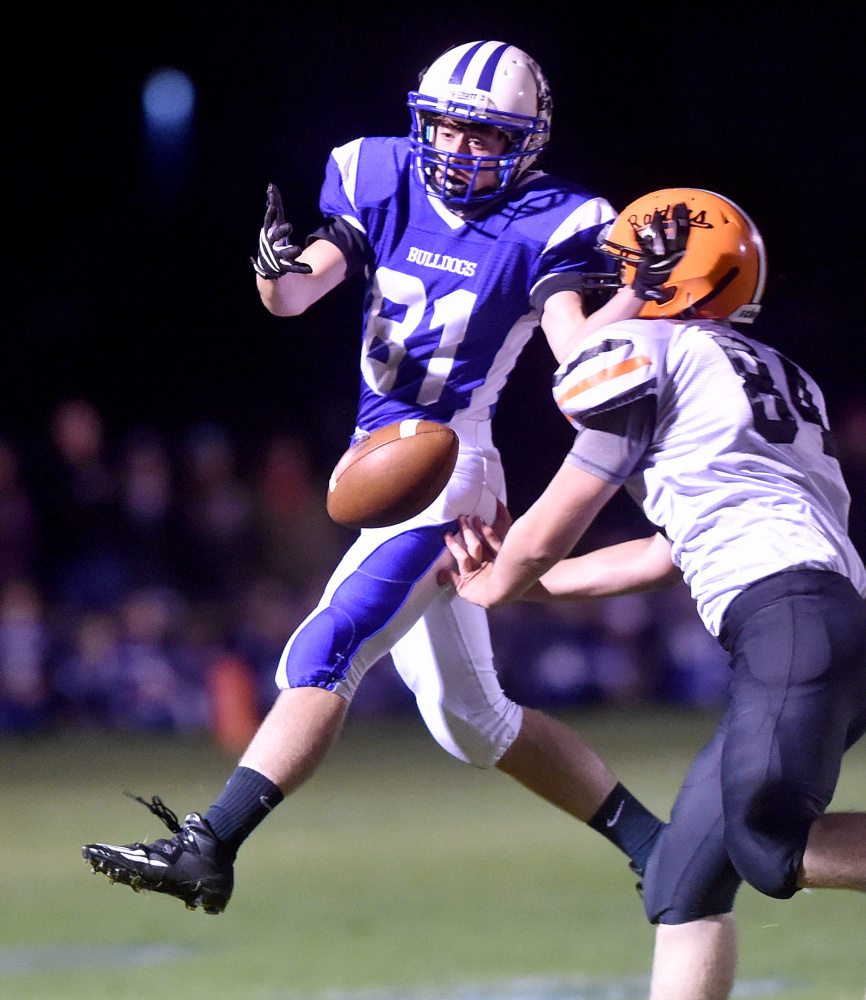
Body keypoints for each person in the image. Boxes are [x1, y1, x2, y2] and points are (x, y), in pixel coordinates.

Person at [82, 41, 664, 914]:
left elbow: (574, 356)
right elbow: (296, 295)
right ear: (422, 123)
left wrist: (640, 297)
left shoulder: (557, 217)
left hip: (449, 465)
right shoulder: (376, 174)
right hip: (384, 452)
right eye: (450, 129)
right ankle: (662, 847)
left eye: (486, 136)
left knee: (326, 648)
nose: (463, 150)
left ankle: (211, 843)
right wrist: (274, 271)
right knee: (474, 723)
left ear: (526, 143)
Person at [440, 188, 866, 1000]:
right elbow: (669, 548)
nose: (613, 297)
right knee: (683, 878)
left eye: (626, 277)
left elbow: (563, 511)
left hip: (788, 614)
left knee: (769, 848)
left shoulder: (655, 355)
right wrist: (545, 585)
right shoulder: (773, 371)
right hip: (823, 616)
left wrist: (503, 579)